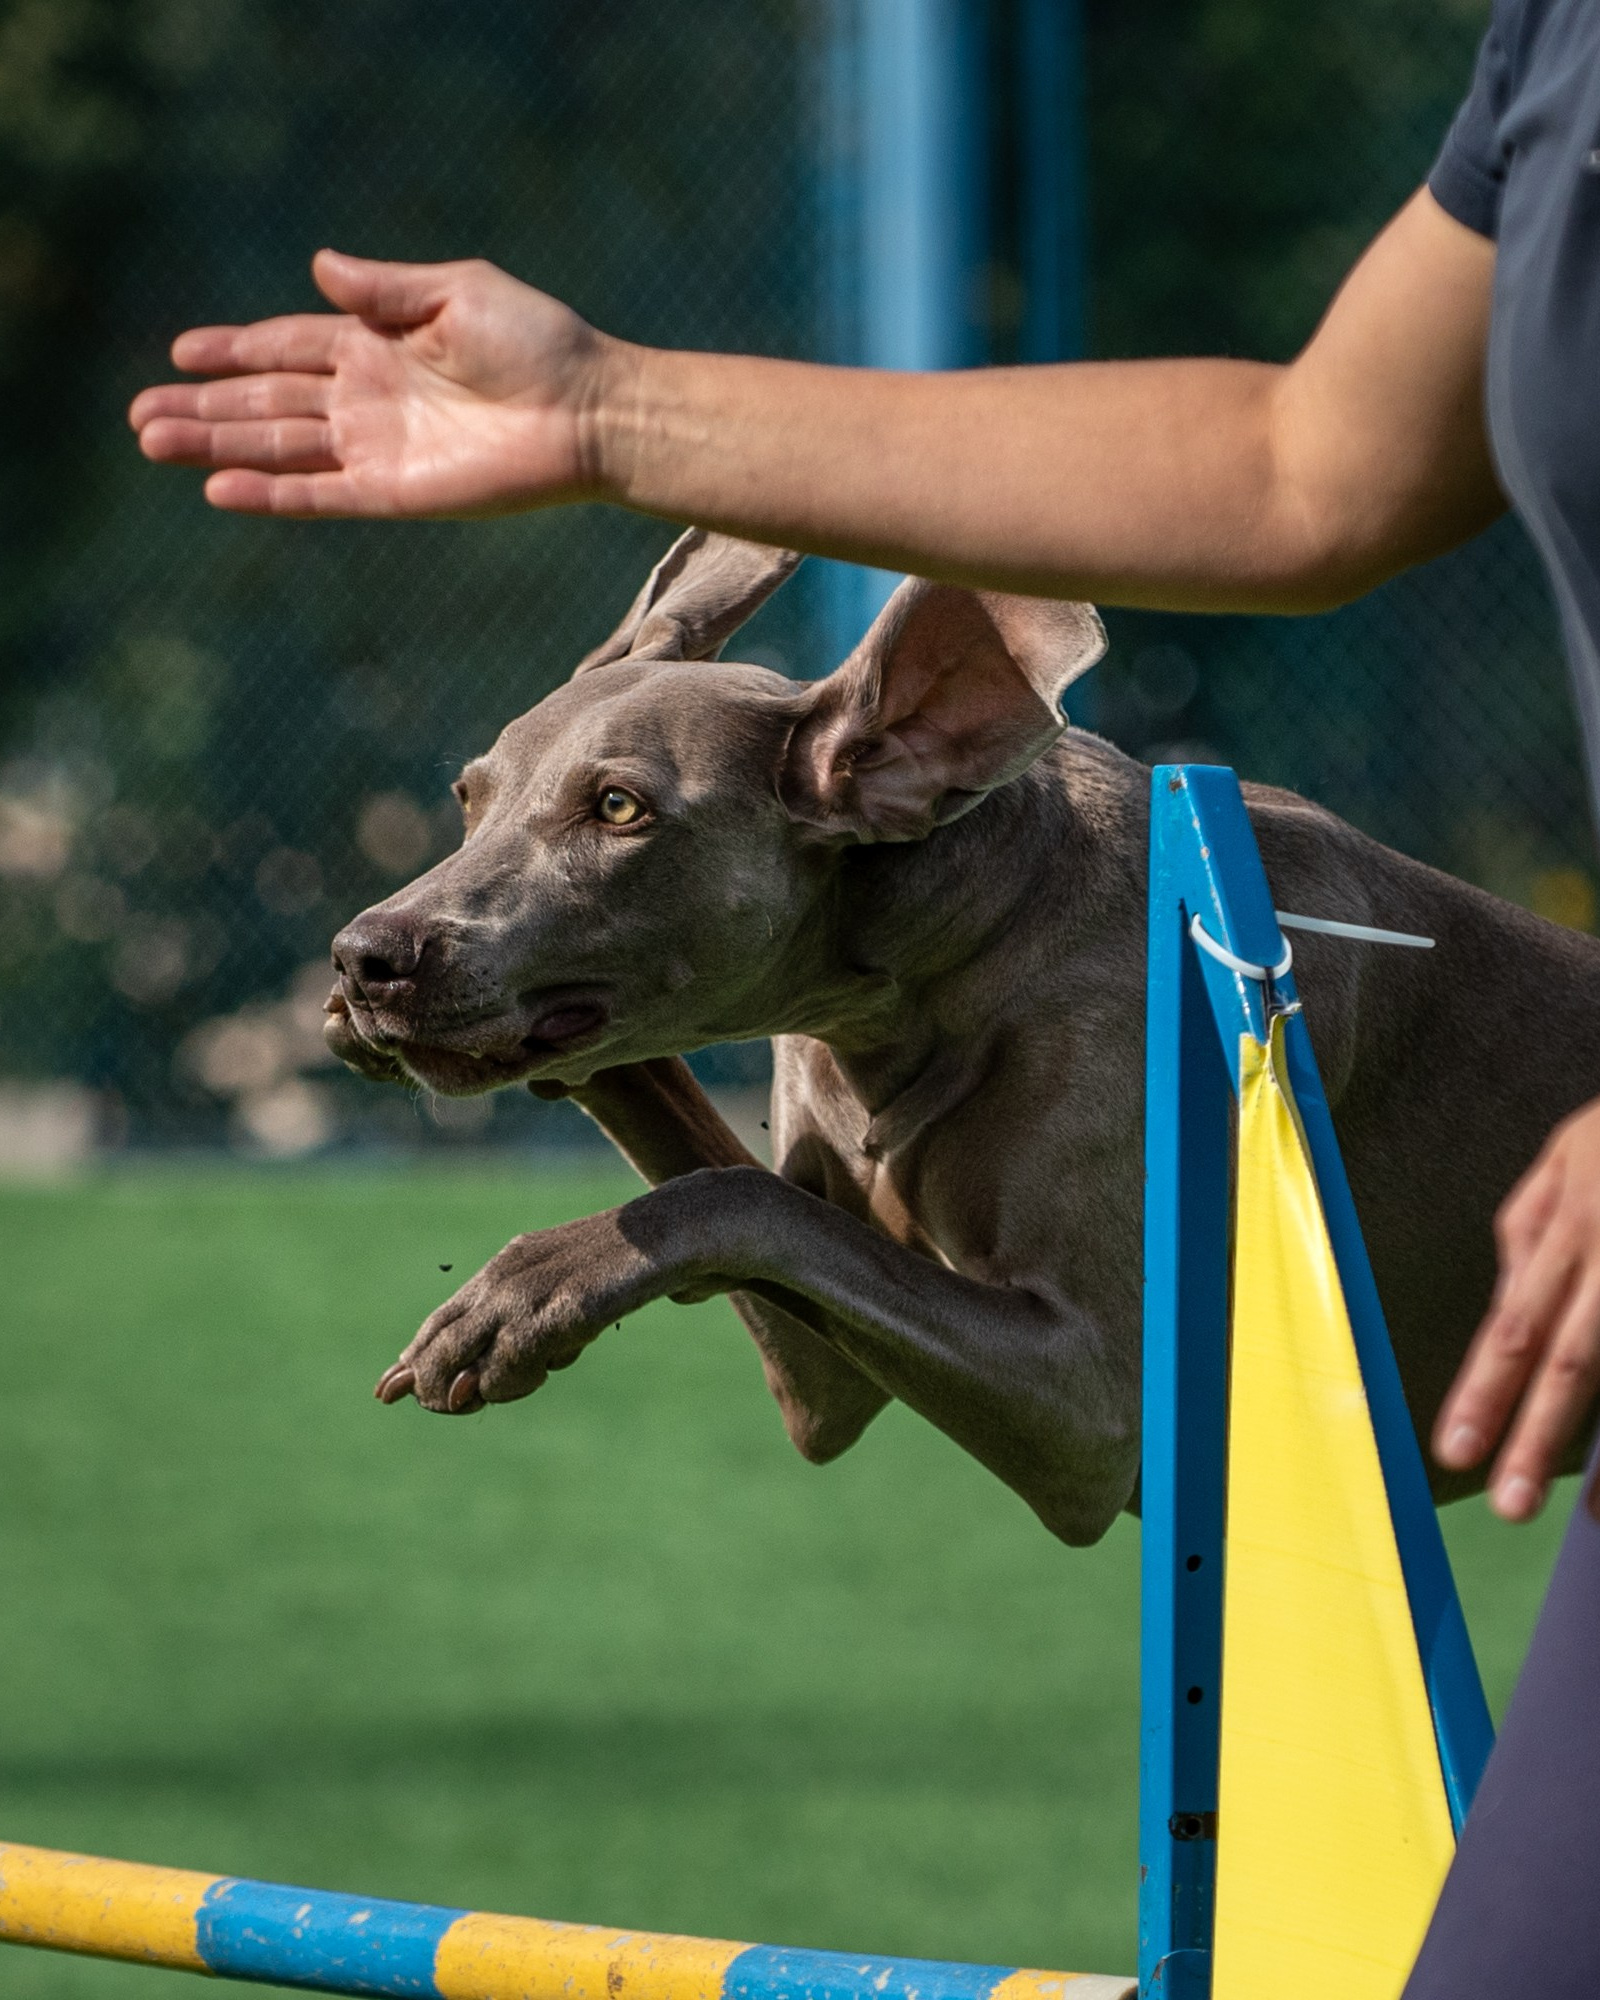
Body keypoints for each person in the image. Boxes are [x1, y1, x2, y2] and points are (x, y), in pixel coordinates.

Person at [129, 2, 1599, 1990]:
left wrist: (698, 1211)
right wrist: (606, 413)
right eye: (496, 810)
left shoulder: (1126, 965)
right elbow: (825, 1387)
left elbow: (1086, 1442)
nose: (439, 890)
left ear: (906, 761)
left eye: (617, 815)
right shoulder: (1549, 48)